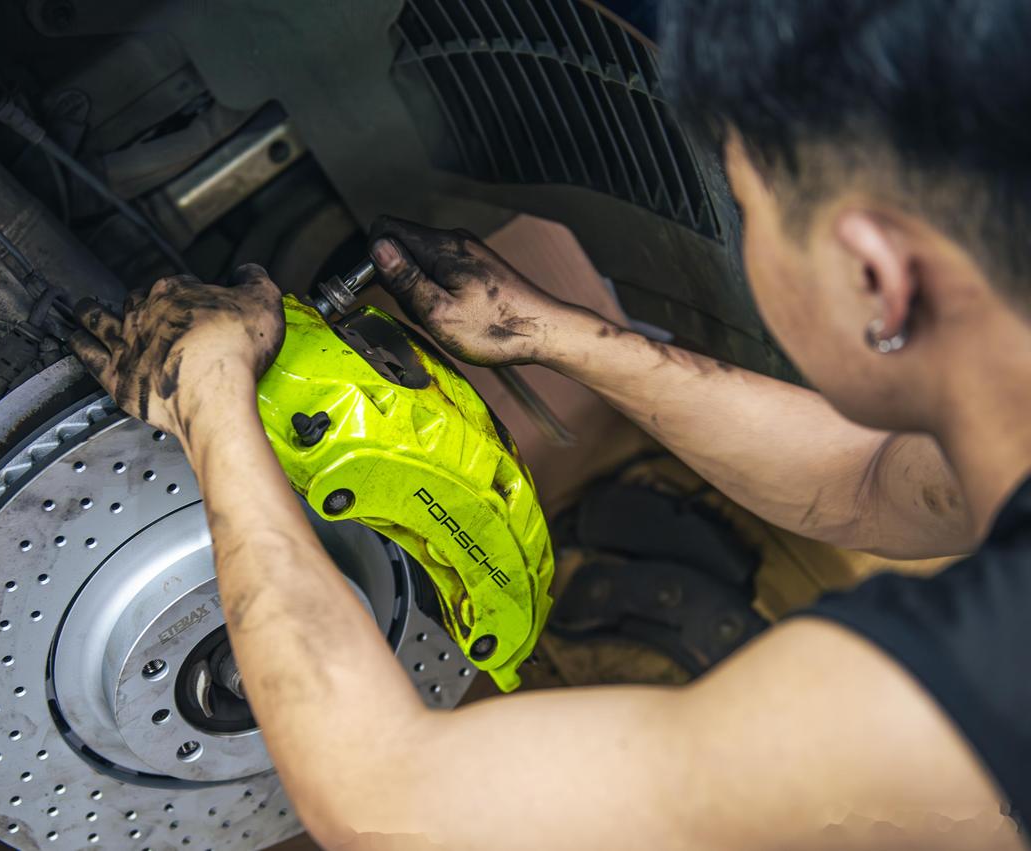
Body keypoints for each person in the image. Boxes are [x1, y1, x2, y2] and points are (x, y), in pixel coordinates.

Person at [68, 1, 1030, 847]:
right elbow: (866, 483)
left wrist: (211, 402)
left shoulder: (946, 704)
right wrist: (561, 336)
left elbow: (395, 797)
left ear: (875, 274)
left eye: (751, 209)